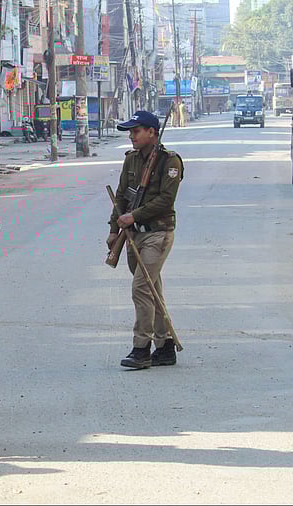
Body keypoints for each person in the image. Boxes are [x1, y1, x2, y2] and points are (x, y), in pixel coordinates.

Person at [108, 110, 183, 370]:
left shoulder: (169, 161)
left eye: (136, 131)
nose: (131, 136)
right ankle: (165, 346)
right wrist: (113, 229)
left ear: (152, 132)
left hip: (158, 232)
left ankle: (141, 348)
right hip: (133, 235)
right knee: (152, 290)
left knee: (141, 287)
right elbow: (121, 197)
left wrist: (134, 215)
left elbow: (165, 200)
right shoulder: (131, 160)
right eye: (130, 132)